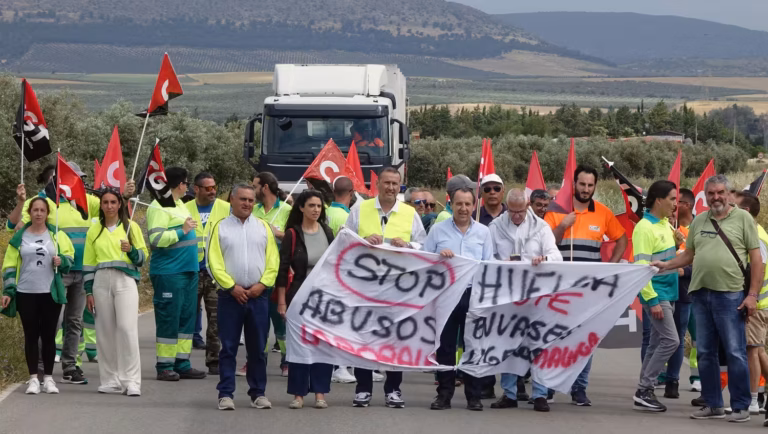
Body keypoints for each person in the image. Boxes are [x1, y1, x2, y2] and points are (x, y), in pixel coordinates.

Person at [8, 163, 135, 385]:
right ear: (59, 179)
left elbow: (111, 206)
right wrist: (20, 202)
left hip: (82, 270)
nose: (80, 181)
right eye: (75, 177)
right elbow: (12, 225)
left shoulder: (86, 200)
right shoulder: (44, 201)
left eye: (81, 178)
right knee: (52, 322)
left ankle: (70, 366)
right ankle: (38, 367)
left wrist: (124, 195)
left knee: (74, 321)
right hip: (55, 271)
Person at [653, 174, 761, 423]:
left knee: (735, 352)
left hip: (730, 296)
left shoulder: (743, 218)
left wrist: (752, 295)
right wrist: (666, 265)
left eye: (720, 192)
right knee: (705, 352)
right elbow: (688, 254)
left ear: (727, 193)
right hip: (700, 294)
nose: (716, 197)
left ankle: (741, 406)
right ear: (706, 195)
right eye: (711, 193)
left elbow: (756, 260)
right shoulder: (700, 221)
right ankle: (713, 404)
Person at [544, 165, 628, 406]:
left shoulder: (602, 212)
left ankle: (579, 389)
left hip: (590, 289)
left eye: (590, 185)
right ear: (574, 184)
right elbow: (547, 243)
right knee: (555, 338)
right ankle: (549, 385)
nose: (586, 189)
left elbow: (621, 238)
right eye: (582, 184)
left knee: (585, 340)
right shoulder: (557, 210)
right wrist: (562, 225)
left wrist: (611, 266)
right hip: (559, 287)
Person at [344, 167, 427, 408]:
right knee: (364, 337)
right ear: (377, 184)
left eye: (395, 184)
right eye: (387, 183)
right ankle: (363, 389)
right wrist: (363, 241)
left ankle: (393, 389)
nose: (391, 188)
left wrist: (408, 245)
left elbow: (424, 245)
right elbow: (345, 239)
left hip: (398, 287)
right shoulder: (360, 209)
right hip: (365, 286)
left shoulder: (410, 213)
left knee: (395, 340)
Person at [488, 189, 562, 412]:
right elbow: (487, 257)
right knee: (508, 345)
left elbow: (556, 255)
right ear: (506, 206)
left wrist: (544, 258)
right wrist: (500, 263)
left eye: (520, 211)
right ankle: (509, 393)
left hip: (537, 295)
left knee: (538, 345)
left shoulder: (541, 227)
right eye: (512, 211)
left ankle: (540, 394)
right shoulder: (495, 227)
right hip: (508, 295)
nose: (517, 215)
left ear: (527, 205)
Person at [207, 184, 279, 411]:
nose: (247, 204)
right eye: (243, 199)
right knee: (228, 347)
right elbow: (213, 261)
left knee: (258, 348)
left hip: (258, 296)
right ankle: (226, 394)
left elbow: (273, 260)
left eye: (251, 200)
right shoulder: (219, 227)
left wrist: (263, 284)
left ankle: (258, 393)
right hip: (230, 297)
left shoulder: (263, 227)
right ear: (232, 200)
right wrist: (231, 287)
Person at [423, 187, 492, 411]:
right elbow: (425, 260)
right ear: (451, 204)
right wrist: (438, 258)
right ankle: (444, 395)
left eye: (467, 204)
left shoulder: (483, 233)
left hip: (473, 295)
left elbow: (489, 265)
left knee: (473, 346)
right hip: (446, 294)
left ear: (474, 206)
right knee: (446, 346)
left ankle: (474, 396)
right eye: (459, 204)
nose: (463, 209)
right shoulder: (438, 231)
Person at [1, 197, 74, 395]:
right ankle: (34, 378)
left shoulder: (57, 235)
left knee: (49, 336)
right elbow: (9, 265)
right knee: (31, 336)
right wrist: (8, 291)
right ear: (30, 213)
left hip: (49, 292)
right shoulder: (19, 238)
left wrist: (62, 261)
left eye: (42, 210)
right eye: (35, 210)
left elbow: (69, 257)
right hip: (26, 292)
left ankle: (49, 379)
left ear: (47, 213)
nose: (39, 213)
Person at [82, 188, 148, 396]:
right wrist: (88, 291)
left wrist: (132, 251)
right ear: (100, 205)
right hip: (100, 282)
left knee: (127, 329)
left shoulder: (131, 227)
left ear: (120, 204)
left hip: (125, 280)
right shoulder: (94, 230)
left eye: (113, 202)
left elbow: (143, 258)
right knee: (105, 331)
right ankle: (110, 379)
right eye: (105, 202)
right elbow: (88, 262)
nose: (109, 206)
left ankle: (131, 381)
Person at [276, 190, 335, 409]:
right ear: (301, 207)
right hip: (298, 297)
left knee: (322, 345)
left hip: (323, 298)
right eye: (311, 205)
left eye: (319, 206)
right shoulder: (292, 234)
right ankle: (298, 394)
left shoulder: (327, 232)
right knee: (299, 346)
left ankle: (320, 393)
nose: (316, 210)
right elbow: (283, 270)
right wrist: (282, 302)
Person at [147, 167, 207, 381]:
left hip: (189, 271)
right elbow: (155, 240)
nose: (187, 187)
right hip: (169, 273)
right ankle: (164, 365)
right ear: (179, 184)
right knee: (169, 318)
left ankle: (182, 362)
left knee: (186, 319)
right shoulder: (158, 207)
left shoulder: (181, 205)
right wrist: (182, 230)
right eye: (186, 183)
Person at [631, 181, 680, 412]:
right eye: (672, 198)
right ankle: (645, 388)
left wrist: (678, 241)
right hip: (657, 293)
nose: (675, 204)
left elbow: (668, 258)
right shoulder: (644, 227)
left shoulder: (665, 224)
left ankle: (644, 391)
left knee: (655, 343)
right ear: (658, 200)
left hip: (669, 292)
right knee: (672, 340)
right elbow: (641, 266)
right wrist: (651, 300)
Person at [185, 172, 231, 376]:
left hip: (215, 272)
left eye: (214, 187)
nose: (213, 191)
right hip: (191, 271)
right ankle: (181, 361)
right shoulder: (184, 209)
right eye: (208, 188)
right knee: (186, 317)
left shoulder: (225, 208)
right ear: (196, 189)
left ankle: (214, 361)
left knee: (216, 319)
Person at [251, 172, 292, 376]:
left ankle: (287, 361)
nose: (253, 190)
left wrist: (278, 233)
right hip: (256, 272)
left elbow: (296, 239)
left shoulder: (286, 210)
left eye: (255, 186)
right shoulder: (254, 210)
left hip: (278, 272)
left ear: (265, 187)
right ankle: (257, 361)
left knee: (280, 321)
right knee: (257, 322)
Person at [733, 191, 768, 415]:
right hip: (760, 303)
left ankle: (753, 400)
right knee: (759, 350)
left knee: (751, 351)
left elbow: (759, 267)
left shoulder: (755, 236)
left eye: (733, 206)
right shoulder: (756, 232)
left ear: (745, 212)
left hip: (757, 304)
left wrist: (752, 296)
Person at [661, 188, 696, 399]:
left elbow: (699, 261)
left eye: (678, 201)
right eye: (672, 200)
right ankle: (656, 376)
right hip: (664, 290)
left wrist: (682, 270)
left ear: (688, 205)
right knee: (663, 337)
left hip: (684, 293)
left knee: (678, 338)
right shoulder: (665, 227)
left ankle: (672, 381)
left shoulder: (696, 229)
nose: (674, 205)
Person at [323, 177, 357, 384]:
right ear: (351, 193)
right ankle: (339, 366)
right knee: (341, 323)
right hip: (341, 276)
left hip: (326, 274)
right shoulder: (348, 216)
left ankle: (344, 365)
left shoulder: (324, 211)